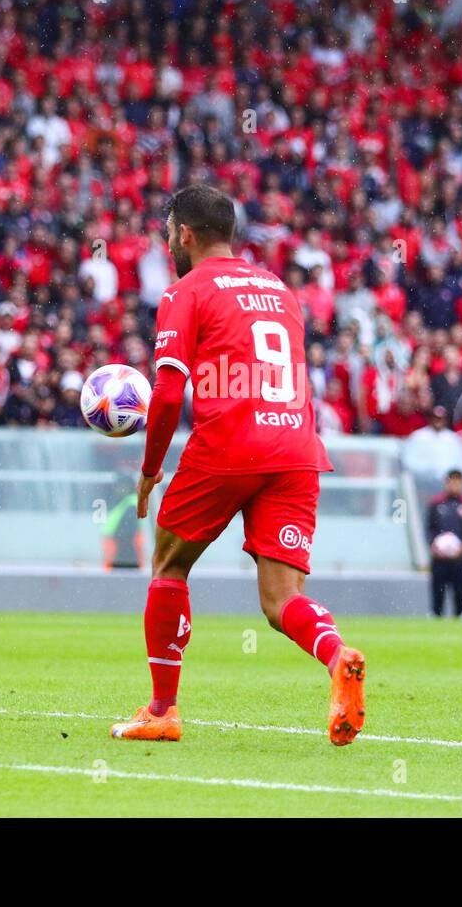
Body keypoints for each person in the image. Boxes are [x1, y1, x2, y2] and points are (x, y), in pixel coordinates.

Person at [112, 184, 365, 746]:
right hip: (297, 448)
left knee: (169, 566)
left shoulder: (185, 290)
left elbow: (169, 390)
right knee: (282, 601)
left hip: (229, 444)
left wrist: (152, 467)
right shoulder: (279, 290)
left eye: (169, 232)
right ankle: (336, 655)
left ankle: (161, 710)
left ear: (183, 234)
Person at [425, 469, 462, 617]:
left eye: (458, 481)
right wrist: (434, 545)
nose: (454, 485)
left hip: (460, 559)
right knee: (438, 591)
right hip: (439, 558)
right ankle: (435, 616)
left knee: (460, 591)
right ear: (446, 483)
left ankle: (461, 616)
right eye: (451, 481)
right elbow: (429, 528)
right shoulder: (436, 503)